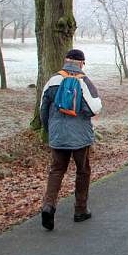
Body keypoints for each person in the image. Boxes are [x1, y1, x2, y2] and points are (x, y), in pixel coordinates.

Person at [39, 49, 103, 231]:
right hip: (80, 136)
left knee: (57, 170)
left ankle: (48, 206)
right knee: (83, 170)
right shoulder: (84, 82)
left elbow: (43, 109)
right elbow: (95, 108)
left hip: (58, 134)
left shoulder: (52, 80)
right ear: (82, 63)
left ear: (66, 61)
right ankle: (80, 210)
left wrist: (49, 130)